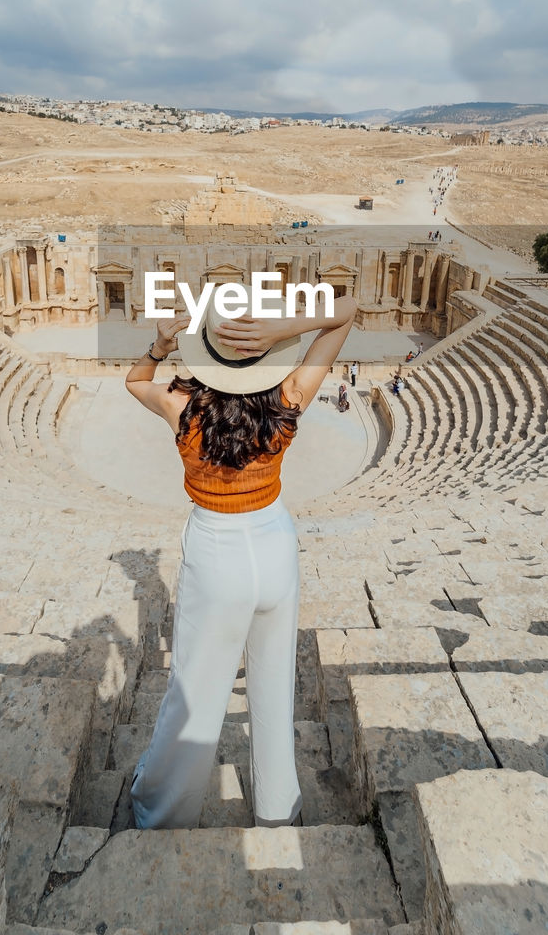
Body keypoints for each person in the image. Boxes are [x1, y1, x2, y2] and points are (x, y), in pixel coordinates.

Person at [125, 286, 357, 831]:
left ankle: (166, 811)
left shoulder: (182, 408)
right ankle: (278, 808)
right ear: (266, 358)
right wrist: (286, 329)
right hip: (276, 544)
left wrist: (159, 346)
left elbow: (135, 381)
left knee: (195, 691)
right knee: (275, 686)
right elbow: (346, 313)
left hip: (216, 550)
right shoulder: (290, 398)